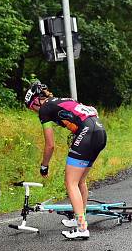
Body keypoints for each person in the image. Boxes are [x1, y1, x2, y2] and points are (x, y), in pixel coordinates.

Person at [24, 81, 107, 240]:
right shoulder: (63, 100)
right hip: (100, 132)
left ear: (37, 101)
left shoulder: (44, 110)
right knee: (80, 181)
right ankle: (80, 219)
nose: (34, 111)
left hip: (87, 133)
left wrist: (44, 166)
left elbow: (50, 145)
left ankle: (82, 228)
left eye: (32, 107)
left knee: (71, 182)